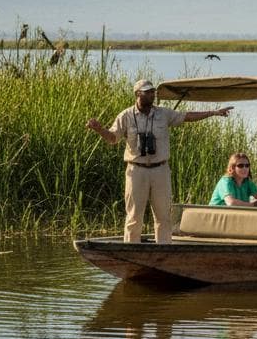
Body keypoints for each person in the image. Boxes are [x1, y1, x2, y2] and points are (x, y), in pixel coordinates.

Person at [86, 78, 233, 243]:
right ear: (137, 94)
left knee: (163, 216)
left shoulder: (163, 113)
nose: (152, 95)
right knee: (134, 216)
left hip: (160, 170)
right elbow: (113, 138)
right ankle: (132, 251)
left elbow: (186, 116)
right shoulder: (126, 116)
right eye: (147, 92)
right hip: (136, 171)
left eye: (153, 91)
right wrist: (99, 129)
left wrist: (212, 112)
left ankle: (163, 250)